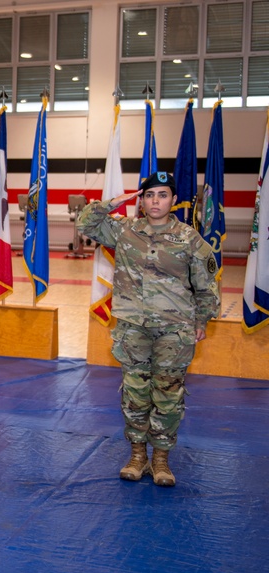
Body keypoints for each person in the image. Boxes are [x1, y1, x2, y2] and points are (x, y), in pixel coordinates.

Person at [77, 171, 220, 487]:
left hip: (174, 330)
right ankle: (138, 456)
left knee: (168, 395)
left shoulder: (188, 238)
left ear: (172, 200)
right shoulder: (125, 231)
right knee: (135, 395)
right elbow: (85, 224)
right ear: (141, 201)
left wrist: (201, 320)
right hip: (133, 329)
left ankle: (161, 460)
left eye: (163, 195)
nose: (156, 201)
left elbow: (206, 284)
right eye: (150, 195)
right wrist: (114, 202)